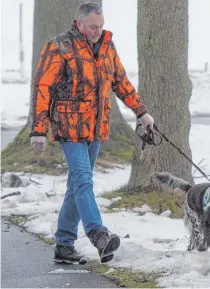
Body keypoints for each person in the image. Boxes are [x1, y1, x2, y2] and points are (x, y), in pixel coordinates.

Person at [29, 2, 154, 264]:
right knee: (84, 180)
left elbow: (120, 81)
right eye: (93, 27)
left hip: (96, 128)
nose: (98, 31)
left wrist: (141, 112)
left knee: (77, 186)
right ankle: (98, 234)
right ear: (79, 23)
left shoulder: (107, 44)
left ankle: (64, 245)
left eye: (101, 26)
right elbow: (43, 87)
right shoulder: (60, 45)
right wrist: (39, 129)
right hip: (69, 127)